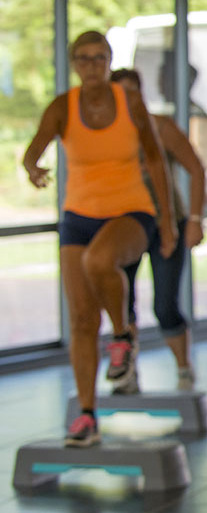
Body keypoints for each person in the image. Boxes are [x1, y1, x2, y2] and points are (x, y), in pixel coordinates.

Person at [22, 31, 177, 447]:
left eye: (99, 58)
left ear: (110, 61)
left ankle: (123, 335)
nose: (92, 65)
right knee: (81, 319)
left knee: (99, 261)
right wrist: (33, 168)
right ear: (74, 63)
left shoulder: (130, 103)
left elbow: (156, 160)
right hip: (78, 215)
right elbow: (33, 150)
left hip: (131, 210)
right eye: (83, 58)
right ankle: (87, 417)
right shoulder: (63, 106)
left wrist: (169, 223)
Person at [110, 69, 206, 392]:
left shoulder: (161, 127)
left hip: (168, 224)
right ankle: (127, 373)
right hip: (124, 225)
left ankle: (183, 369)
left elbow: (196, 169)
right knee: (122, 303)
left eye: (132, 92)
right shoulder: (105, 133)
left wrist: (194, 219)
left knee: (165, 305)